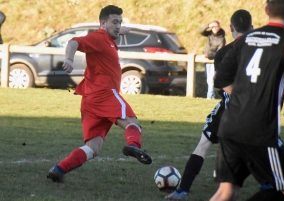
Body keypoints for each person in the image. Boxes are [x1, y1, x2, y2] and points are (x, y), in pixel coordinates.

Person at [47, 5, 152, 183]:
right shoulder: (98, 37)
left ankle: (59, 169)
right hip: (104, 94)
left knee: (93, 148)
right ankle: (133, 146)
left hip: (90, 99)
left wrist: (121, 29)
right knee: (132, 123)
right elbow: (74, 42)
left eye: (120, 22)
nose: (118, 26)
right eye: (114, 22)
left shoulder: (109, 38)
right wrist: (69, 59)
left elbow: (116, 31)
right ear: (102, 24)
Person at [210, 0, 284, 200]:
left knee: (227, 191)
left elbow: (221, 78)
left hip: (229, 124)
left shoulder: (246, 38)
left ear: (266, 10)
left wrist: (243, 100)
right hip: (260, 130)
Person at [164, 9, 253, 200]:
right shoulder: (260, 52)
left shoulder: (223, 54)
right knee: (257, 154)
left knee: (204, 145)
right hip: (255, 110)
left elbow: (221, 83)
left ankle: (182, 191)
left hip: (229, 109)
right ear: (252, 28)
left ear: (230, 28)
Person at [199, 20, 226, 99]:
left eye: (216, 26)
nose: (214, 28)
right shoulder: (210, 34)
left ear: (219, 27)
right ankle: (212, 96)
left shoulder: (221, 39)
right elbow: (201, 31)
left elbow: (219, 52)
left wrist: (209, 55)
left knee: (211, 79)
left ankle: (210, 97)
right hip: (207, 60)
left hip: (215, 61)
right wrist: (208, 25)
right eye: (213, 27)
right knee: (208, 80)